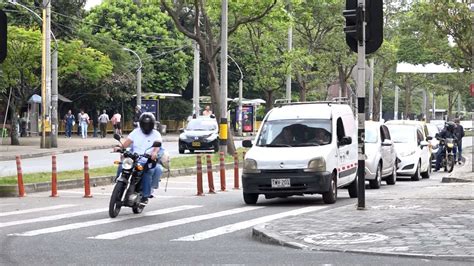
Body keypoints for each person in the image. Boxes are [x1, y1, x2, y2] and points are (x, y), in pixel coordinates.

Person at [114, 112, 163, 204]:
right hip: (134, 158)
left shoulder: (156, 134)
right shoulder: (136, 132)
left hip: (147, 160)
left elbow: (157, 147)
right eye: (145, 124)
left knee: (148, 172)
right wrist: (120, 148)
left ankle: (145, 196)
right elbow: (127, 143)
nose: (146, 126)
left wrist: (154, 153)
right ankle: (118, 181)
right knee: (122, 166)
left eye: (149, 124)